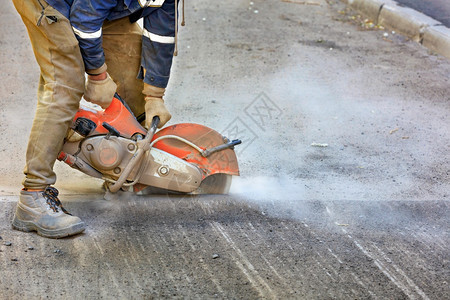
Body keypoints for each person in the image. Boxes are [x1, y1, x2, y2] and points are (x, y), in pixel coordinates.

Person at [11, 0, 178, 238]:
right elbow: (84, 20)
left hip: (94, 5)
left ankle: (124, 165)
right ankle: (33, 196)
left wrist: (154, 96)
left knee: (129, 52)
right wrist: (98, 77)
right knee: (66, 82)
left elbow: (161, 32)